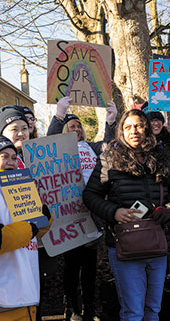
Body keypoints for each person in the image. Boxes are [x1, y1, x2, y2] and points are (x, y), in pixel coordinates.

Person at [84, 109, 170, 321]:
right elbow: (90, 196)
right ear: (121, 132)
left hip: (158, 245)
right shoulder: (109, 159)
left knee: (153, 310)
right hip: (124, 247)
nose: (133, 131)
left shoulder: (162, 158)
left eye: (138, 125)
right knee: (133, 312)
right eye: (127, 127)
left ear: (146, 128)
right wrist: (114, 212)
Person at [46, 96, 117, 320]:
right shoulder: (58, 148)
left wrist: (111, 122)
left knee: (89, 266)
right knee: (71, 265)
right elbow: (46, 145)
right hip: (67, 214)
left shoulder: (91, 147)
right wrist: (59, 116)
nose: (76, 129)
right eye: (71, 125)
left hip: (91, 214)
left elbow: (109, 146)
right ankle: (72, 309)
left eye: (78, 126)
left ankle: (88, 308)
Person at [0, 132, 50, 320]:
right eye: (4, 157)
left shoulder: (18, 183)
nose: (11, 162)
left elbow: (35, 234)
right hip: (2, 287)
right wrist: (31, 227)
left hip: (25, 277)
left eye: (14, 157)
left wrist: (44, 219)